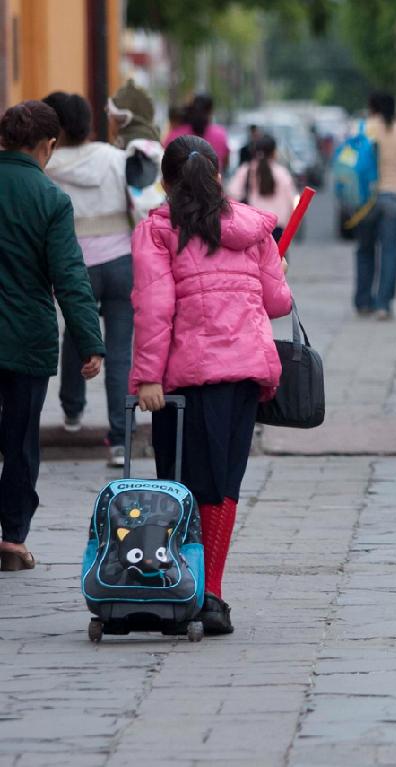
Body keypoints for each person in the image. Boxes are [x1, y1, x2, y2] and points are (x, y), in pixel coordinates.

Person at [129, 135, 292, 633]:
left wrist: (148, 378)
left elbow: (155, 311)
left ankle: (185, 589)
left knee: (180, 485)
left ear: (165, 182)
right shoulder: (252, 228)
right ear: (219, 177)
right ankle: (210, 593)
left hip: (186, 384)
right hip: (243, 376)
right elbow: (277, 303)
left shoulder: (158, 231)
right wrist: (279, 271)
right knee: (223, 487)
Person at [0, 100, 104, 571]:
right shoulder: (50, 199)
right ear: (49, 146)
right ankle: (13, 538)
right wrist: (90, 341)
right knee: (20, 440)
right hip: (27, 339)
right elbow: (69, 276)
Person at [42, 91, 134, 468]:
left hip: (74, 267)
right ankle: (119, 440)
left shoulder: (46, 165)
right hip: (121, 262)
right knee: (120, 351)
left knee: (75, 333)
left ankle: (73, 412)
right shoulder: (116, 158)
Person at [354, 91, 396, 320]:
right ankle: (384, 304)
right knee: (390, 251)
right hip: (395, 197)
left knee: (365, 250)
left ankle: (363, 301)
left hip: (366, 200)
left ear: (372, 107)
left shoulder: (363, 129)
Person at [106, 78, 166, 223]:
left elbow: (146, 206)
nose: (109, 119)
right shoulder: (145, 144)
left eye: (110, 114)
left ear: (122, 118)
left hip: (140, 239)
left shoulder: (138, 150)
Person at [226, 134, 297, 242]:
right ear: (274, 152)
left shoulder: (246, 170)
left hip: (253, 228)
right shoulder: (282, 173)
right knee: (278, 258)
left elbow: (232, 193)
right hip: (278, 228)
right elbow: (292, 201)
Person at [163, 94, 230, 171]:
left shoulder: (175, 134)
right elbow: (225, 163)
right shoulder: (220, 135)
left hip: (179, 182)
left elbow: (163, 160)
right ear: (211, 111)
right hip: (212, 182)